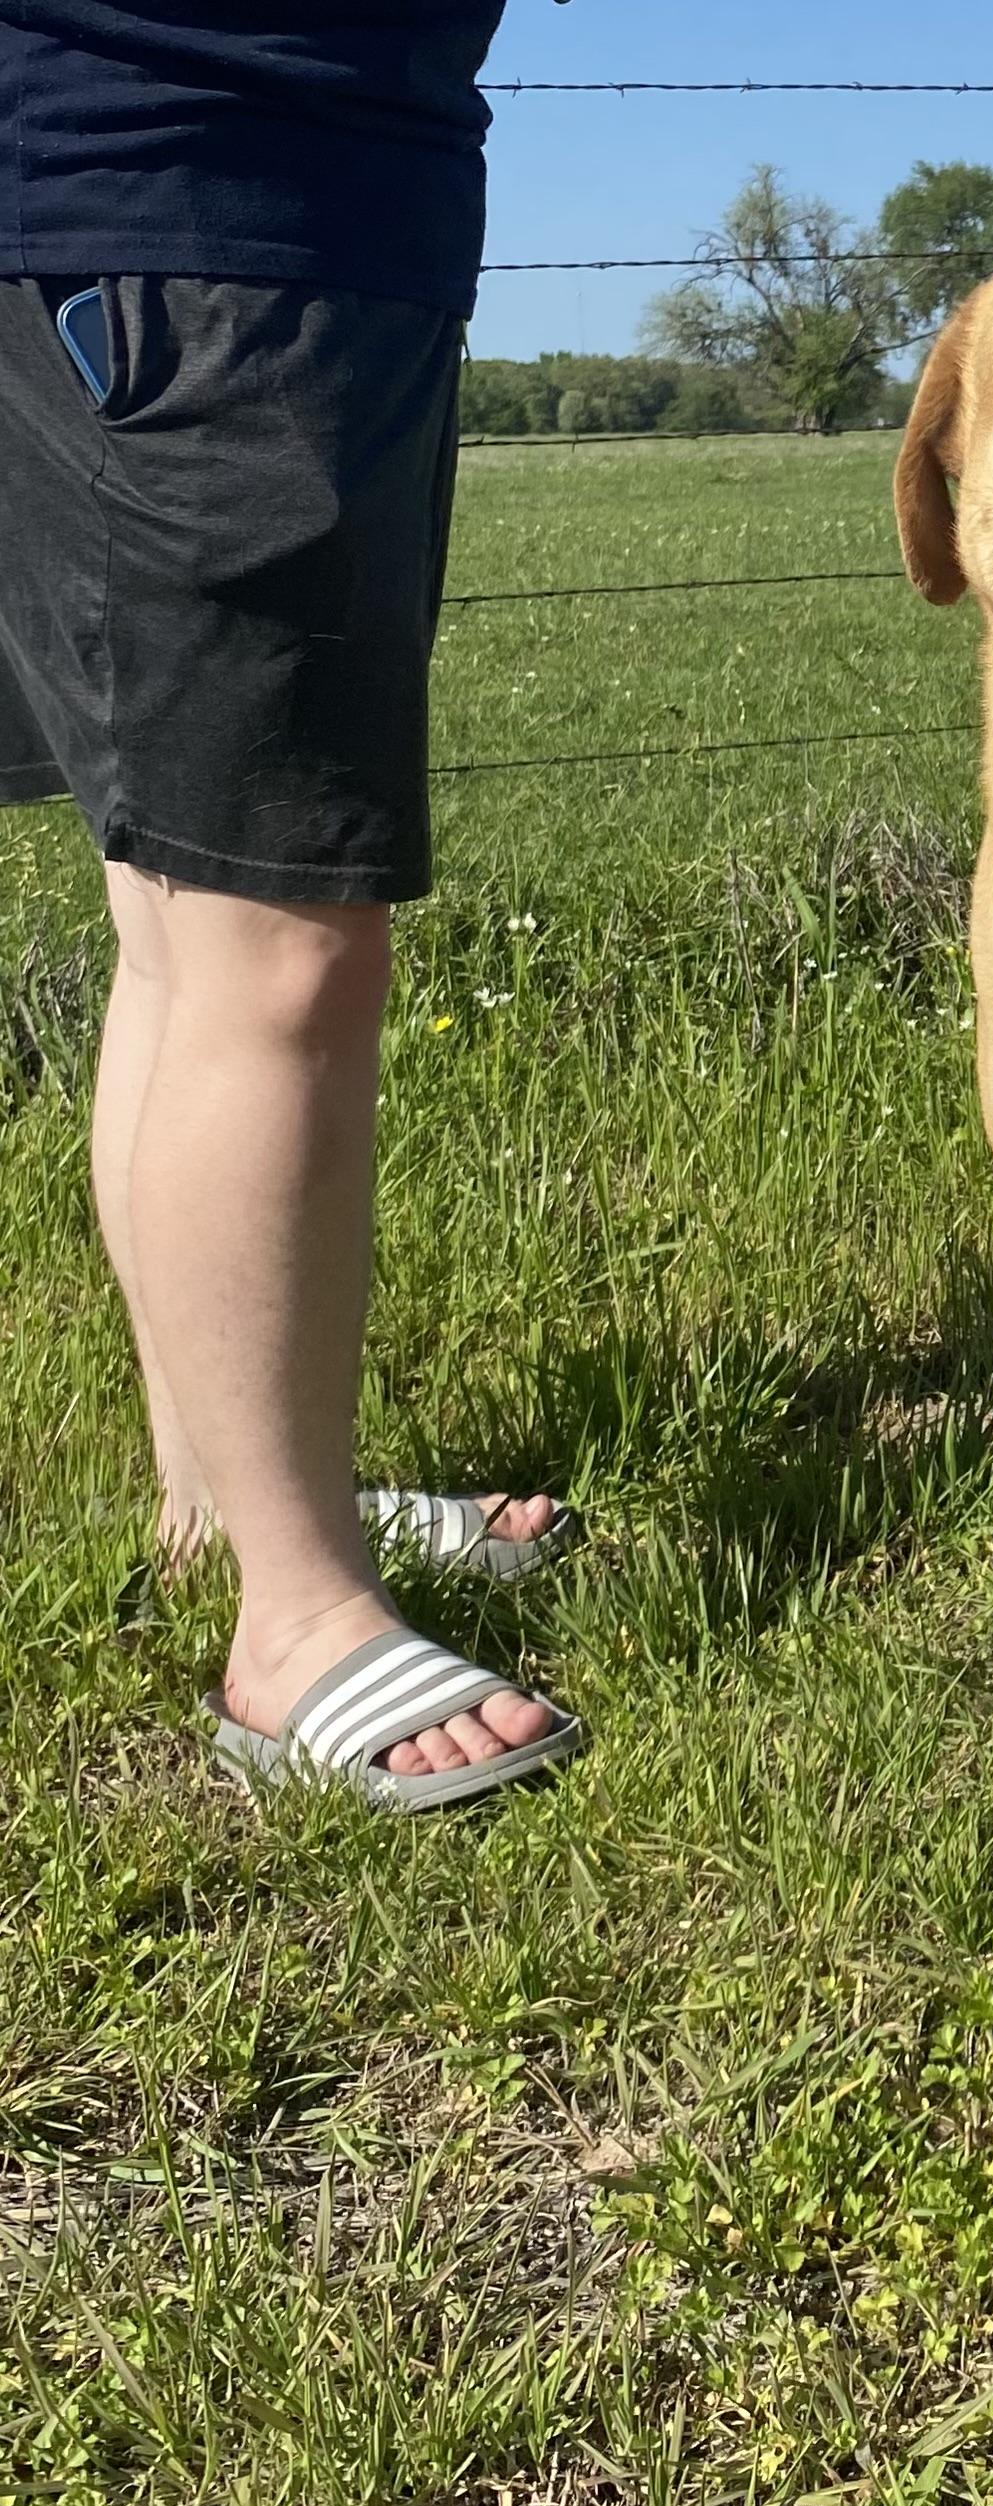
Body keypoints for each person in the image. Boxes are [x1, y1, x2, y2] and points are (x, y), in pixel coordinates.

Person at [0, 2, 584, 1808]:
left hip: (258, 203)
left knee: (183, 932)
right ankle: (296, 1620)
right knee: (278, 946)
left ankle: (230, 1501)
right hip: (189, 199)